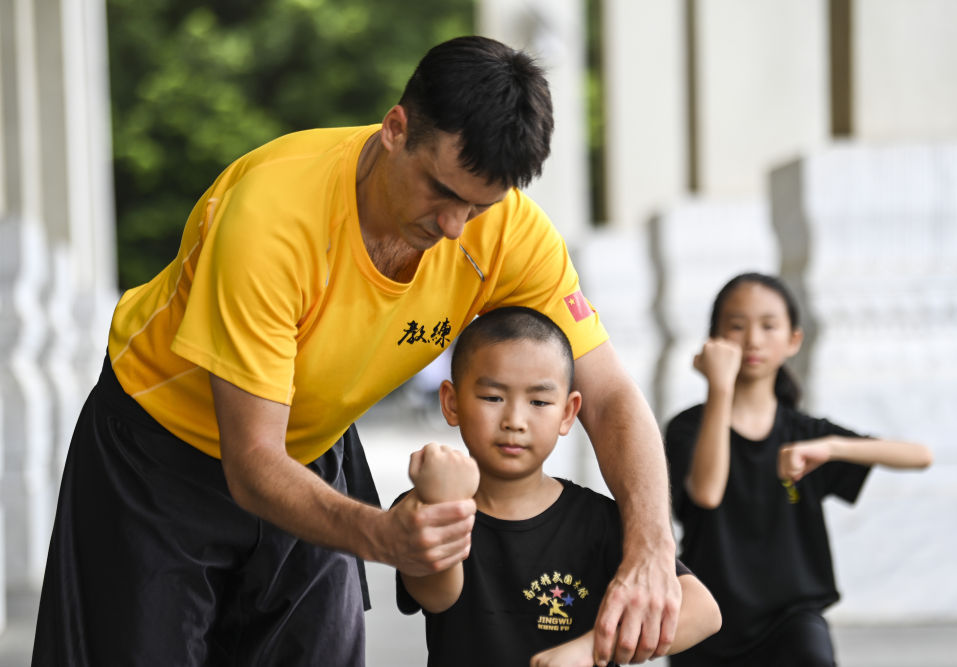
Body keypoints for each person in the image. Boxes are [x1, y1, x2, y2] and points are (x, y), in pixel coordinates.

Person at [33, 36, 680, 667]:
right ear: (395, 128)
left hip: (307, 450)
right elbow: (252, 457)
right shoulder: (273, 217)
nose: (455, 227)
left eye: (478, 206)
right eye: (442, 191)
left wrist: (650, 549)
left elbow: (609, 393)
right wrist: (379, 534)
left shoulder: (510, 231)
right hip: (159, 450)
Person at [395, 306, 721, 667]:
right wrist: (440, 502)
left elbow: (704, 612)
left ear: (568, 413)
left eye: (538, 401)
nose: (515, 421)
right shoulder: (420, 508)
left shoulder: (597, 521)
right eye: (492, 398)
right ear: (451, 402)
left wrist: (591, 648)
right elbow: (437, 595)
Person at [663, 272, 934, 667]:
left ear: (793, 340)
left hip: (791, 620)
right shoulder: (687, 428)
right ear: (715, 340)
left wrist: (832, 447)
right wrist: (719, 388)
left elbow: (920, 455)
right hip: (708, 619)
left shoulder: (807, 435)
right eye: (737, 326)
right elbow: (706, 492)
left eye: (768, 326)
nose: (753, 340)